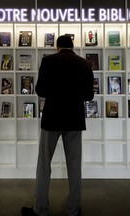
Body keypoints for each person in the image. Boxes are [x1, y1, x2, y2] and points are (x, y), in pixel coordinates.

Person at [21, 35, 94, 216]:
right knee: (75, 165)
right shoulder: (85, 64)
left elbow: (40, 90)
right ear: (73, 46)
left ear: (57, 46)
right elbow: (89, 96)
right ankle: (73, 209)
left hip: (52, 118)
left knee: (44, 164)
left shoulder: (48, 61)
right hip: (74, 120)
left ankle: (40, 209)